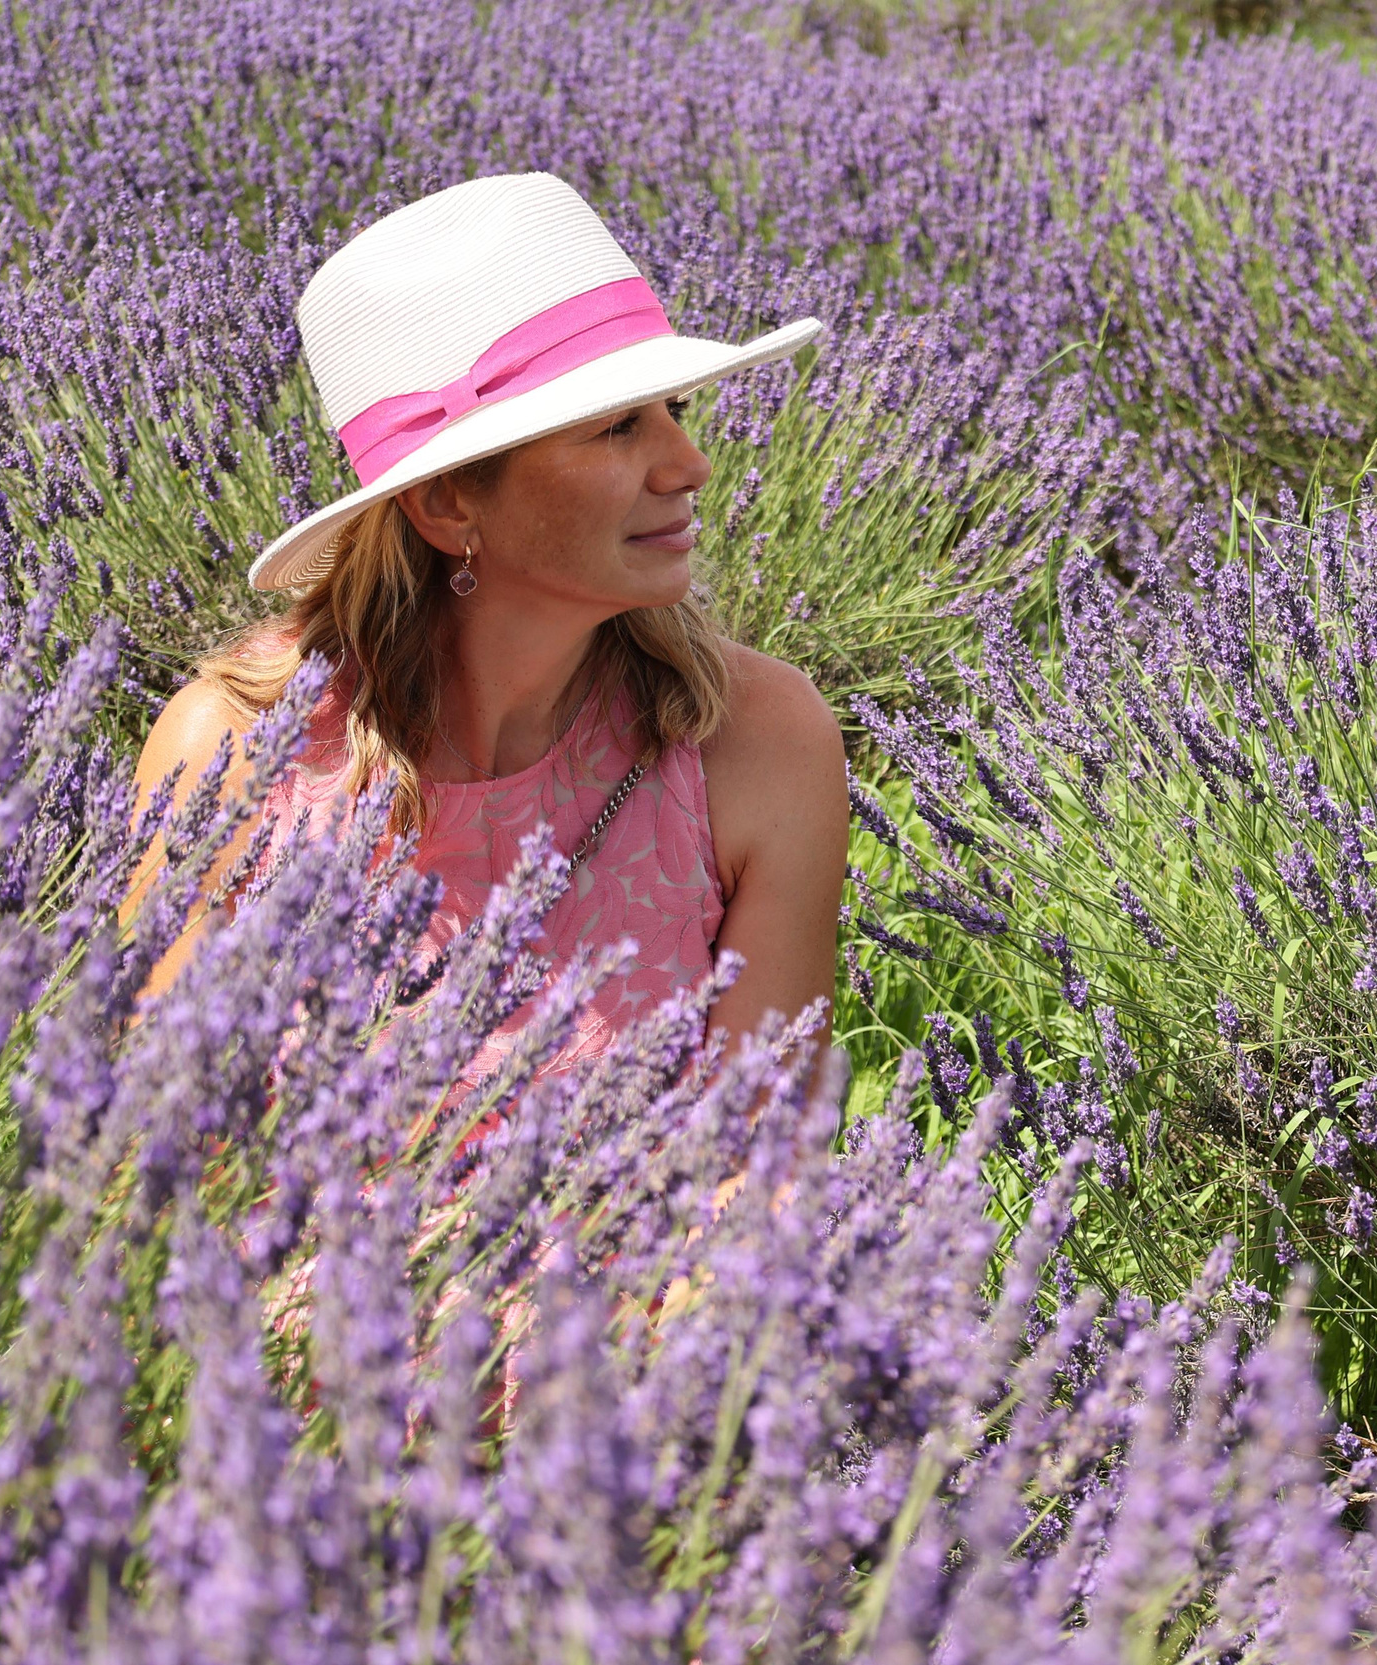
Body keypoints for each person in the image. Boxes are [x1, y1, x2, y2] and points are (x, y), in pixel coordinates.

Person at [124, 172, 849, 1087]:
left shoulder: (755, 742)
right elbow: (149, 1168)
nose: (691, 464)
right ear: (445, 501)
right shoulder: (235, 754)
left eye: (677, 412)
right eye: (621, 428)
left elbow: (764, 1172)